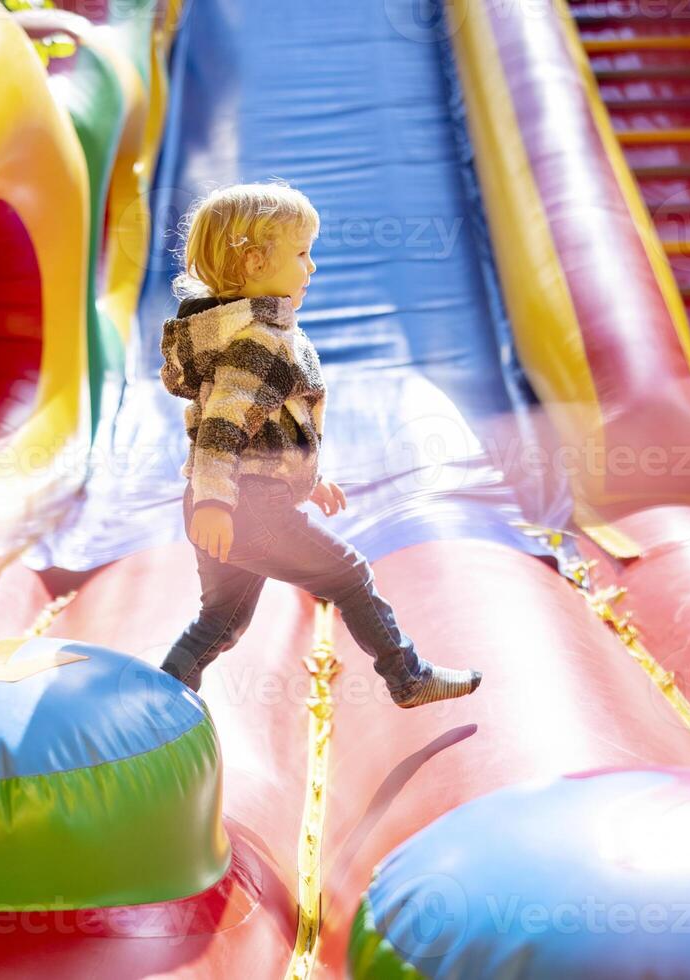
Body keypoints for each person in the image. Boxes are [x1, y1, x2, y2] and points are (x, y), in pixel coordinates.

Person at [157, 181, 482, 707]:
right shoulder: (258, 339)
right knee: (350, 576)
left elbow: (266, 425)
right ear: (256, 263)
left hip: (222, 498)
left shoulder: (230, 329)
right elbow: (223, 425)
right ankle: (408, 677)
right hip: (242, 506)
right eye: (303, 254)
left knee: (220, 620)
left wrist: (305, 479)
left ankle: (163, 693)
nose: (312, 268)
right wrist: (220, 502)